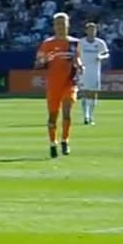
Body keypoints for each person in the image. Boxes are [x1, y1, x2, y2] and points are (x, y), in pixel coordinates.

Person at [34, 12, 81, 158]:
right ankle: (52, 143)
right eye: (58, 23)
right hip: (54, 84)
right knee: (53, 116)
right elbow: (38, 63)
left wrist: (80, 66)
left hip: (69, 82)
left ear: (68, 25)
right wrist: (44, 60)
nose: (61, 26)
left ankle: (65, 140)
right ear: (54, 26)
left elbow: (77, 59)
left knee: (67, 112)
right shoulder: (48, 43)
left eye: (63, 23)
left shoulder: (74, 43)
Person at [77, 22, 110, 125]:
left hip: (94, 71)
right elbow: (76, 54)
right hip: (83, 70)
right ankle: (85, 116)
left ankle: (91, 116)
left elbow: (106, 54)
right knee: (84, 92)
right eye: (90, 30)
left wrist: (101, 57)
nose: (92, 32)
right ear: (86, 31)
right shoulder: (81, 42)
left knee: (93, 93)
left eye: (94, 30)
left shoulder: (100, 43)